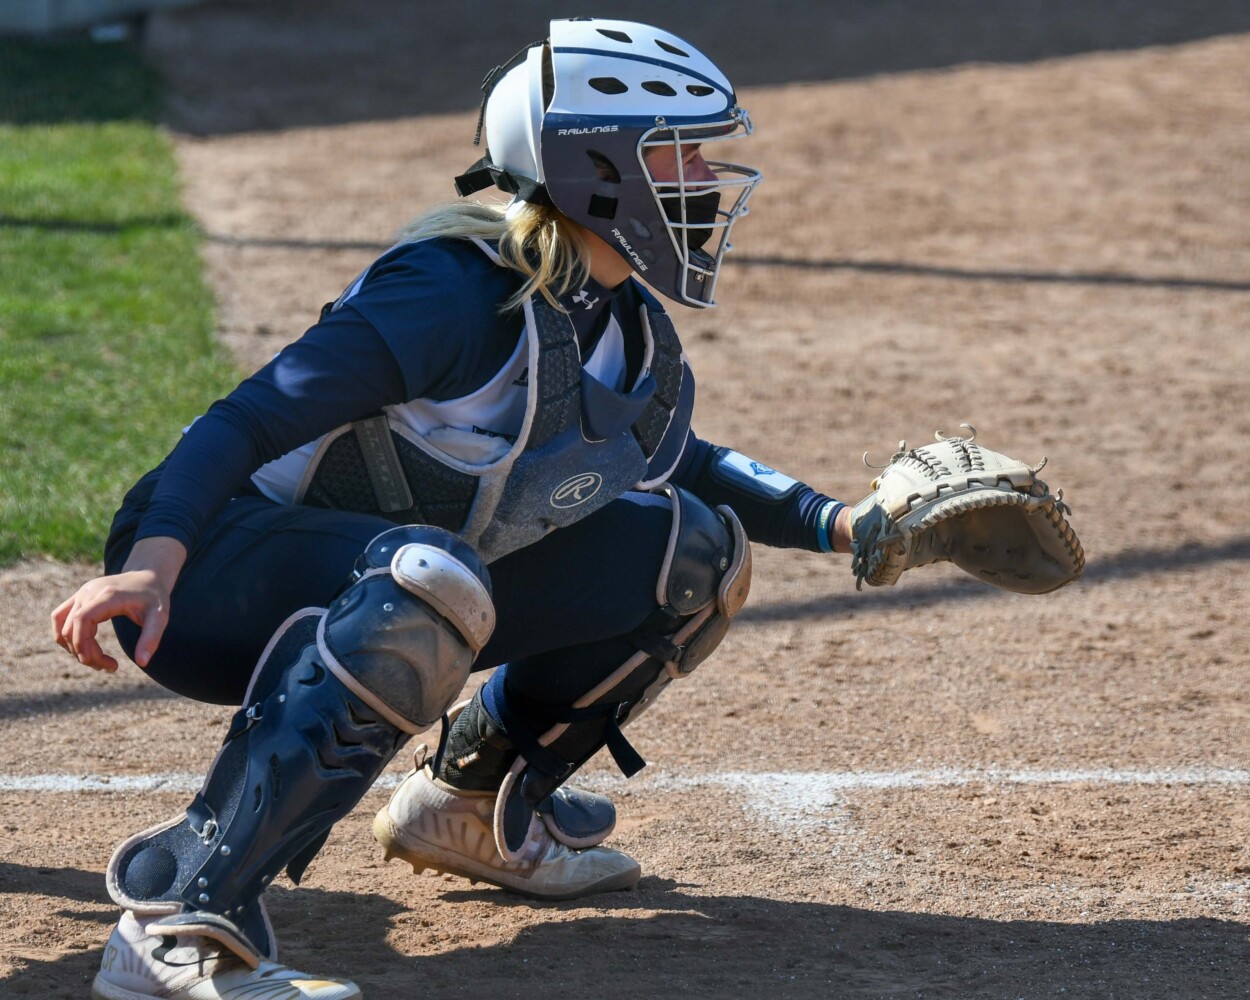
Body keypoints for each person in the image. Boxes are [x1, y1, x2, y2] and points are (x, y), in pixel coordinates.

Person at [54, 18, 853, 1000]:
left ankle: (471, 808)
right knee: (422, 581)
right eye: (676, 152)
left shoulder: (611, 319)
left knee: (689, 556)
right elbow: (247, 420)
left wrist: (846, 526)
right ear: (596, 166)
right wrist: (155, 562)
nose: (700, 178)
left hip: (396, 575)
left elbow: (673, 461)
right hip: (212, 569)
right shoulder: (453, 290)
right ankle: (179, 924)